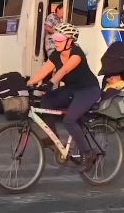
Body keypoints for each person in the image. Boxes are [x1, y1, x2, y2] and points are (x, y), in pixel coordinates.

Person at [27, 23, 101, 172]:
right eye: (55, 38)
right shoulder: (56, 54)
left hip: (88, 90)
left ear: (70, 40)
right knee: (46, 101)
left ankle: (88, 154)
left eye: (60, 39)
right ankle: (53, 139)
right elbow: (44, 70)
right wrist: (28, 83)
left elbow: (64, 70)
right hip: (71, 89)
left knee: (69, 120)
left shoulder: (76, 54)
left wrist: (51, 83)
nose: (56, 42)